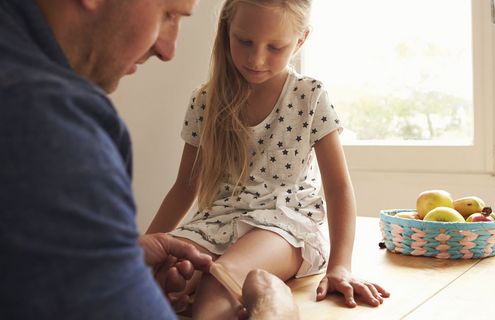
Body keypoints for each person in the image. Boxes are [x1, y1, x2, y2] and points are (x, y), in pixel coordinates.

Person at [0, 0, 297, 319]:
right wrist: (275, 309)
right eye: (168, 14)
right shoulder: (45, 119)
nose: (167, 49)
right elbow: (186, 185)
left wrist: (118, 256)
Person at [146, 0, 390, 318]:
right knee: (161, 280)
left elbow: (338, 187)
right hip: (216, 223)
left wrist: (340, 266)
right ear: (226, 31)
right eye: (244, 41)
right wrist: (141, 254)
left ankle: (275, 304)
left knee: (219, 279)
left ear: (300, 40)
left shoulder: (309, 95)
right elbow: (184, 186)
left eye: (275, 47)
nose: (256, 59)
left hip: (284, 225)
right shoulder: (204, 101)